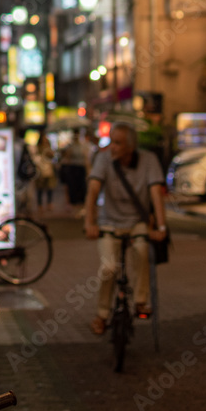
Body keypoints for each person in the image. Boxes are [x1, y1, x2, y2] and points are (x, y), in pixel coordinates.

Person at [84, 122, 167, 335]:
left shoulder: (148, 160)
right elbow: (93, 191)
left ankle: (140, 301)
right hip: (109, 222)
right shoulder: (104, 159)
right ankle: (102, 314)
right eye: (111, 141)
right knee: (109, 268)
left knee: (142, 252)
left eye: (118, 143)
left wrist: (160, 225)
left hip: (137, 222)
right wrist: (89, 223)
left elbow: (156, 193)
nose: (113, 147)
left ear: (131, 146)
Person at [58, 134, 88, 208]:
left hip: (80, 167)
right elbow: (67, 157)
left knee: (81, 186)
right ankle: (73, 203)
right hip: (73, 167)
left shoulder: (82, 146)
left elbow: (85, 157)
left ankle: (80, 203)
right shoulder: (70, 146)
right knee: (73, 186)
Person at [31, 133, 56, 218]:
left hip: (48, 170)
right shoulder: (37, 149)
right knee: (40, 189)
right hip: (40, 171)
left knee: (49, 187)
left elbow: (52, 157)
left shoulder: (48, 148)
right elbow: (35, 158)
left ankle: (49, 203)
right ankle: (40, 205)